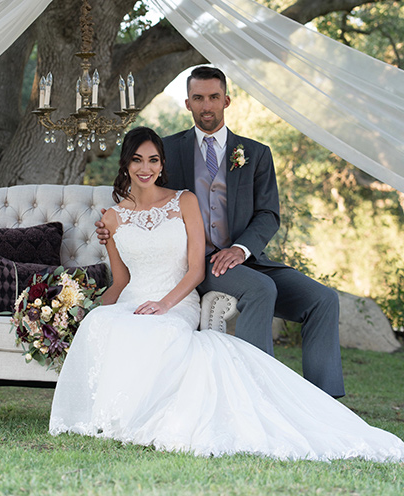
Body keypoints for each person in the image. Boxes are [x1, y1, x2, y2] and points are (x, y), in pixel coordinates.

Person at [50, 126, 404, 460]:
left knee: (164, 330)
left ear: (162, 164)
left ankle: (293, 398)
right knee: (102, 323)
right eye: (137, 160)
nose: (146, 168)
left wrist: (164, 303)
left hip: (176, 298)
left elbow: (198, 268)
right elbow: (121, 280)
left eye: (153, 160)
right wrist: (84, 309)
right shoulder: (111, 218)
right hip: (134, 300)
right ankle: (117, 416)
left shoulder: (184, 201)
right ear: (125, 164)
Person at [97, 66, 344, 398]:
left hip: (247, 258)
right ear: (187, 103)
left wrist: (241, 249)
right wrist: (111, 226)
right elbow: (144, 195)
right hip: (198, 263)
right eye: (198, 98)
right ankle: (257, 391)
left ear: (226, 100)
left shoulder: (255, 154)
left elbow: (269, 214)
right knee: (260, 290)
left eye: (214, 97)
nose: (207, 106)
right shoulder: (166, 150)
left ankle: (323, 400)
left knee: (323, 300)